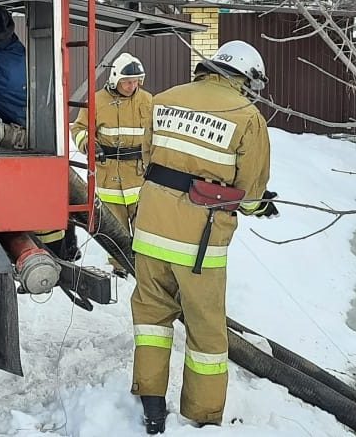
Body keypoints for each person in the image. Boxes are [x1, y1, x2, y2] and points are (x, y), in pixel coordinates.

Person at [128, 41, 279, 434]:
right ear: (245, 76)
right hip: (199, 242)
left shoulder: (163, 99)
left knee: (151, 317)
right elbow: (248, 192)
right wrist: (259, 206)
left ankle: (151, 402)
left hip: (149, 230)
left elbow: (148, 158)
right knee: (206, 331)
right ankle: (202, 414)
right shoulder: (247, 116)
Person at [70, 53, 153, 275]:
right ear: (115, 78)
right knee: (114, 227)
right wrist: (89, 145)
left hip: (139, 176)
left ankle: (145, 268)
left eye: (136, 81)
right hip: (110, 177)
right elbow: (78, 128)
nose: (131, 86)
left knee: (145, 227)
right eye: (127, 81)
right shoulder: (95, 102)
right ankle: (119, 267)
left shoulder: (148, 101)